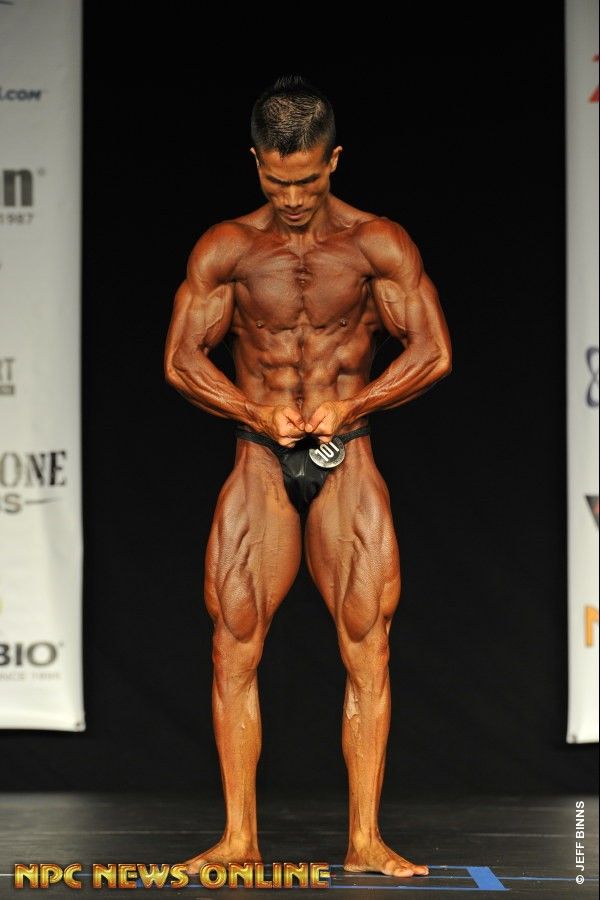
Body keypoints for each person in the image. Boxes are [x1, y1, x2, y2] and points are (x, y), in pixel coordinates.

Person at [164, 74, 451, 879]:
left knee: (368, 645)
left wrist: (358, 400)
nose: (292, 199)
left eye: (307, 180)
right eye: (276, 180)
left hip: (346, 452)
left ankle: (365, 841)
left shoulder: (375, 244)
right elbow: (181, 359)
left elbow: (433, 351)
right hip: (259, 458)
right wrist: (254, 412)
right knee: (233, 645)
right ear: (257, 162)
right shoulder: (227, 249)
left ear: (334, 161)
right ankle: (238, 838)